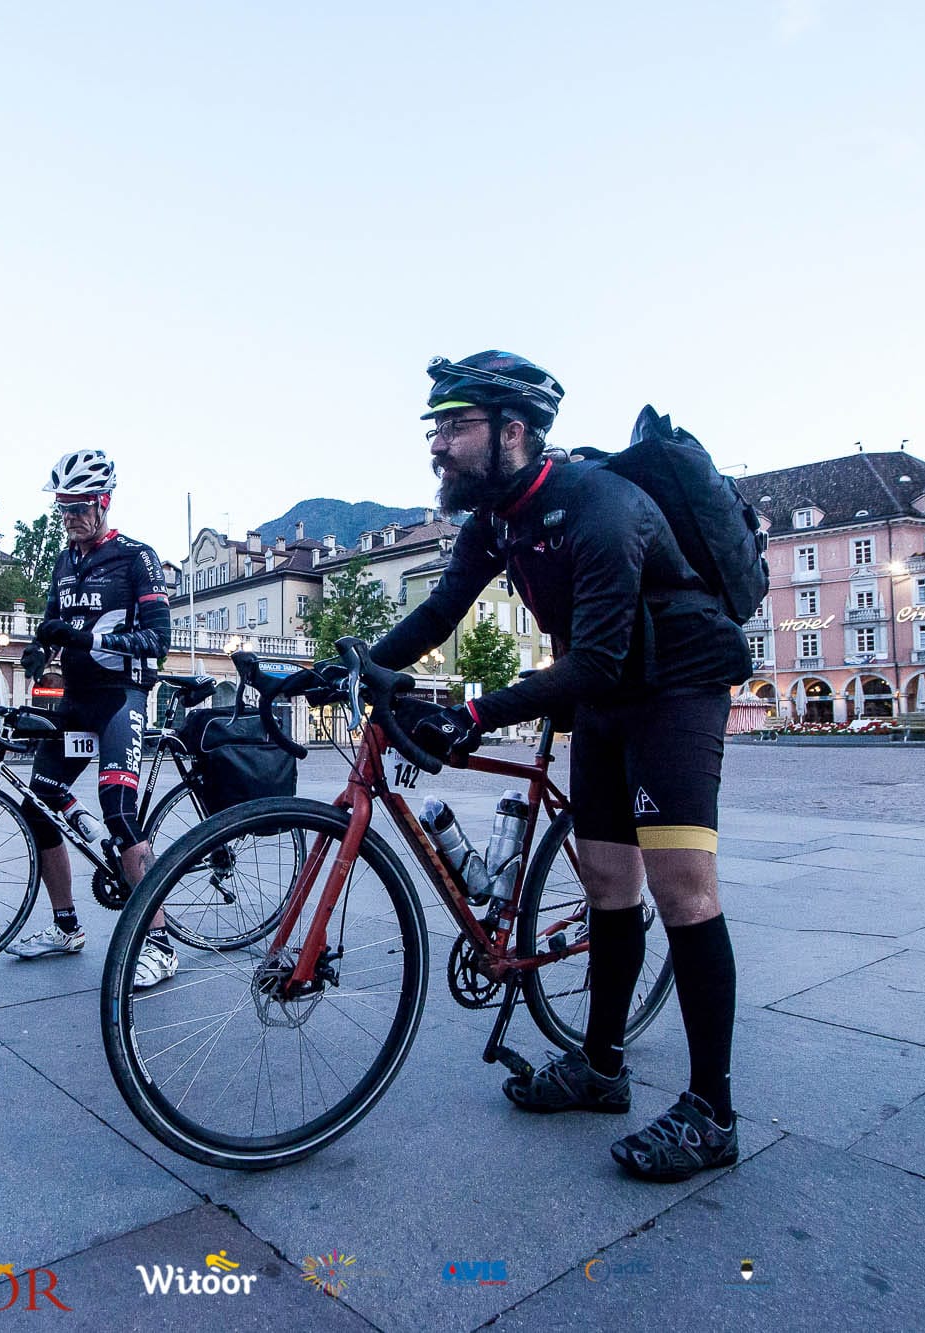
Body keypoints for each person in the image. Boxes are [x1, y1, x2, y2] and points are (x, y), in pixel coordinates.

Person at [368, 352, 752, 1183]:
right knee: (609, 881)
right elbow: (439, 611)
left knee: (682, 889)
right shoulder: (496, 520)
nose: (437, 444)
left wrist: (474, 713)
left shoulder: (601, 506)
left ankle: (713, 1113)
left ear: (513, 432)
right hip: (604, 691)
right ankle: (602, 1068)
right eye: (435, 428)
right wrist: (353, 666)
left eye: (455, 426)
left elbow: (599, 656)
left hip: (676, 683)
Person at [7, 448, 178, 990]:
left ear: (104, 502)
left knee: (120, 814)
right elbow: (52, 627)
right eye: (63, 508)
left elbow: (158, 641)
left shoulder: (136, 558)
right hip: (75, 700)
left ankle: (161, 945)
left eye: (80, 507)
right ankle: (66, 928)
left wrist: (86, 639)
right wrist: (38, 650)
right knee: (38, 804)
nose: (71, 518)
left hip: (120, 698)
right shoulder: (64, 562)